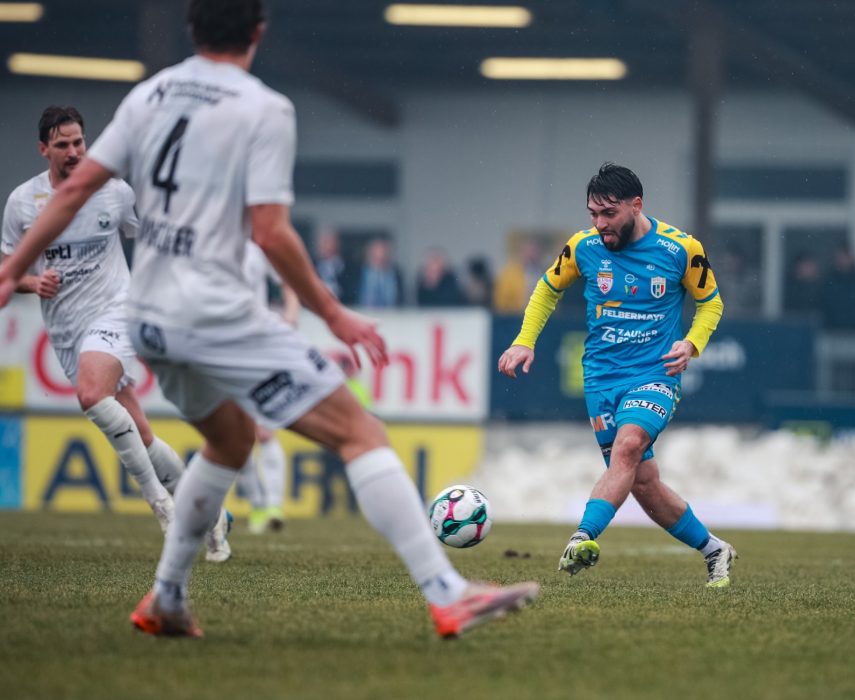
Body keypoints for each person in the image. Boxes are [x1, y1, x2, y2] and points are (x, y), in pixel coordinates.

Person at [0, 0, 536, 639]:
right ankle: (447, 593)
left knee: (229, 442)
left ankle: (167, 597)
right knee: (360, 430)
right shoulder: (264, 108)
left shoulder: (150, 94)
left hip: (147, 315)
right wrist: (332, 312)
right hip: (212, 308)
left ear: (193, 29)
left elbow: (72, 192)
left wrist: (11, 273)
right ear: (258, 32)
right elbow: (272, 232)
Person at [1, 105, 232, 561]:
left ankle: (162, 507)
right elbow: (8, 272)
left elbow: (155, 239)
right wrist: (32, 283)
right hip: (67, 328)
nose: (74, 152)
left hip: (117, 310)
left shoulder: (113, 192)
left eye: (79, 142)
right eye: (63, 145)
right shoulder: (23, 203)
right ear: (44, 149)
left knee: (91, 395)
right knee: (139, 433)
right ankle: (209, 514)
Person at [497, 163, 737, 587]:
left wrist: (691, 343)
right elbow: (548, 289)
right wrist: (524, 340)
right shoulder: (583, 247)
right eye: (593, 214)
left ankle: (582, 537)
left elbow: (711, 303)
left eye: (608, 214)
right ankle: (714, 549)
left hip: (654, 374)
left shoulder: (681, 249)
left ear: (636, 205)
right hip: (601, 379)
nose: (599, 223)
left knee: (627, 448)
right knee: (643, 482)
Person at [238, 240, 299, 534]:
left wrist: (291, 313)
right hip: (221, 346)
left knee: (264, 429)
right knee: (237, 435)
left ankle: (274, 506)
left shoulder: (257, 249)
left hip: (258, 344)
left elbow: (289, 277)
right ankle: (258, 504)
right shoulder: (206, 243)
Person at [357, 238, 403, 308]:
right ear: (369, 255)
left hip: (391, 313)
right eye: (376, 253)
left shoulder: (397, 274)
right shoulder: (357, 273)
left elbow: (400, 301)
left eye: (384, 253)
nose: (381, 256)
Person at [312, 226, 346, 302]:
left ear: (336, 243)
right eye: (322, 241)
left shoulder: (347, 267)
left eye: (327, 241)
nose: (324, 245)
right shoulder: (311, 265)